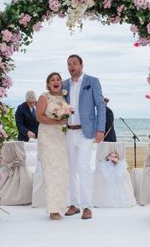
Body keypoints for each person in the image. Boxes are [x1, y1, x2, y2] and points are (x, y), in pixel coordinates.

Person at [62, 54, 106, 220]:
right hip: (68, 132)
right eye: (69, 64)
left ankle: (87, 206)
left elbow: (100, 107)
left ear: (81, 65)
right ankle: (74, 204)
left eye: (74, 63)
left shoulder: (92, 81)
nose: (71, 67)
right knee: (71, 169)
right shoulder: (64, 85)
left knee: (84, 167)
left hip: (85, 132)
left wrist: (100, 129)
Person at [35, 73, 71, 220]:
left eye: (58, 80)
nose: (56, 82)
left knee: (61, 171)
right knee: (51, 172)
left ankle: (61, 205)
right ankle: (53, 210)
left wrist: (64, 118)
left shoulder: (63, 98)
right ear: (48, 84)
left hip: (61, 138)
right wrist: (57, 122)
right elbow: (39, 117)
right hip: (48, 138)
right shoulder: (44, 97)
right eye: (52, 80)